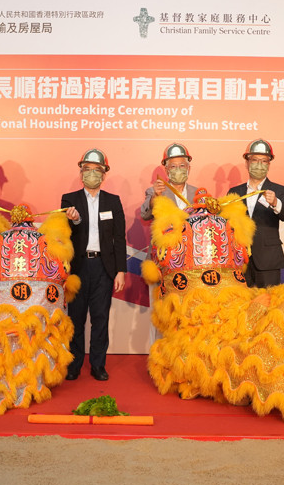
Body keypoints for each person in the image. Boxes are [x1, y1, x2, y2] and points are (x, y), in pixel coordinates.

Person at [61, 149, 127, 381]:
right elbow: (64, 233)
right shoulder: (69, 199)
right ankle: (74, 364)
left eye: (96, 170)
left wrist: (120, 271)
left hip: (103, 267)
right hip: (78, 267)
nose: (91, 174)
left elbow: (119, 238)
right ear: (81, 173)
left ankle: (98, 364)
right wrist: (74, 220)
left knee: (100, 318)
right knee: (76, 318)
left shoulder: (112, 201)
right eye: (87, 169)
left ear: (104, 174)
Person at [227, 139, 284, 288]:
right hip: (239, 260)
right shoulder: (234, 192)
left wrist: (275, 202)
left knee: (268, 300)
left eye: (264, 161)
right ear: (247, 163)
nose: (259, 165)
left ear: (269, 165)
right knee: (241, 300)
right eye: (255, 160)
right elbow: (226, 223)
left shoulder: (279, 190)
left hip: (268, 259)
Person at [139, 142, 199, 220]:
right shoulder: (155, 192)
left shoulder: (197, 193)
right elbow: (145, 215)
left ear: (188, 168)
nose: (178, 169)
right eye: (173, 166)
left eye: (182, 166)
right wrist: (155, 196)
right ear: (167, 170)